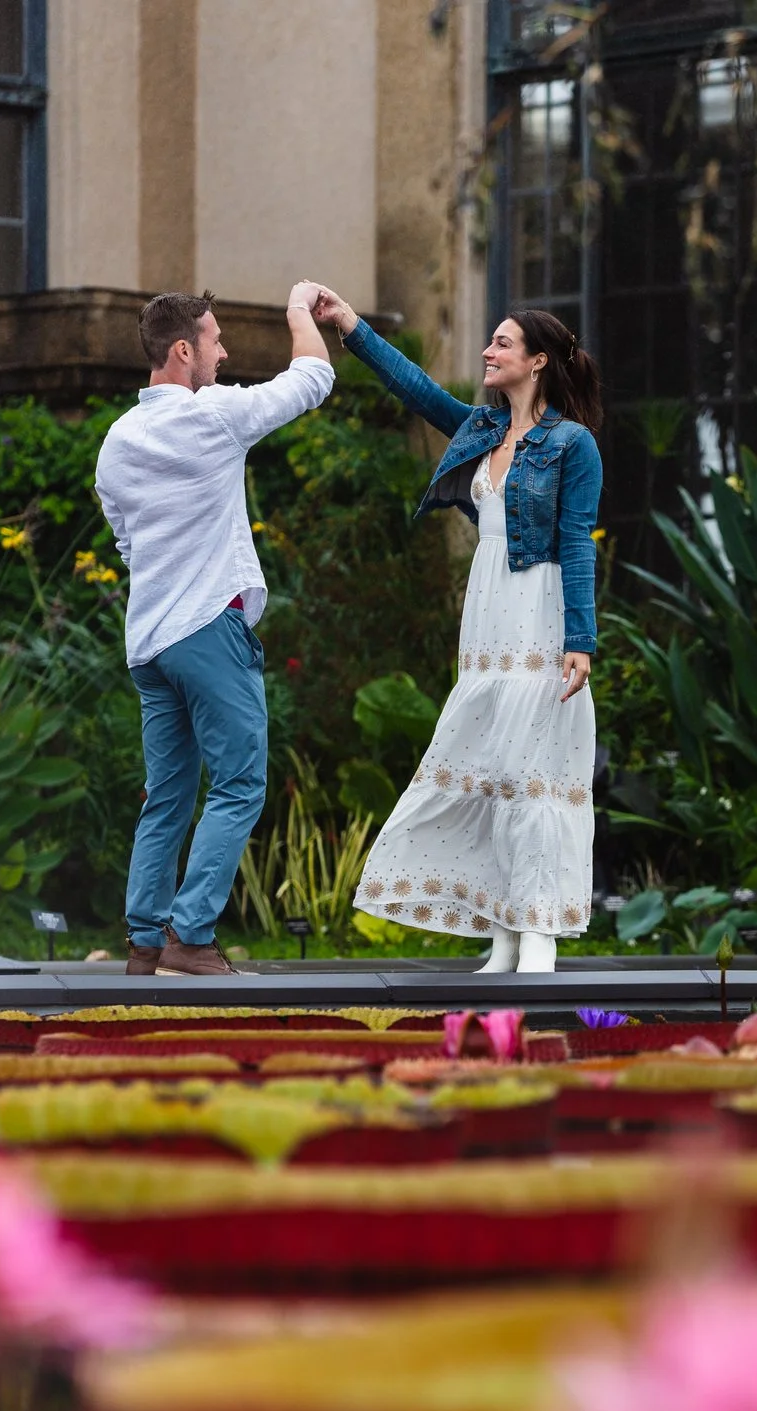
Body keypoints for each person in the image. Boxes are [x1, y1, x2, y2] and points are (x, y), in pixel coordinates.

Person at [307, 287, 600, 974]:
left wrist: (580, 640)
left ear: (538, 362)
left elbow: (579, 540)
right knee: (495, 770)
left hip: (541, 608)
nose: (488, 351)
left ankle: (539, 935)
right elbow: (414, 388)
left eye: (502, 343)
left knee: (535, 776)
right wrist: (351, 326)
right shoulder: (481, 429)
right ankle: (504, 932)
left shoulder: (571, 444)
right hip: (488, 614)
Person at [97, 285, 336, 976]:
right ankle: (190, 937)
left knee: (167, 791)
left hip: (150, 642)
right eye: (216, 340)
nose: (225, 352)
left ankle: (145, 939)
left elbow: (126, 542)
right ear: (183, 350)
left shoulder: (117, 441)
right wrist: (298, 309)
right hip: (207, 628)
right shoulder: (214, 416)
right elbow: (313, 378)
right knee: (239, 782)